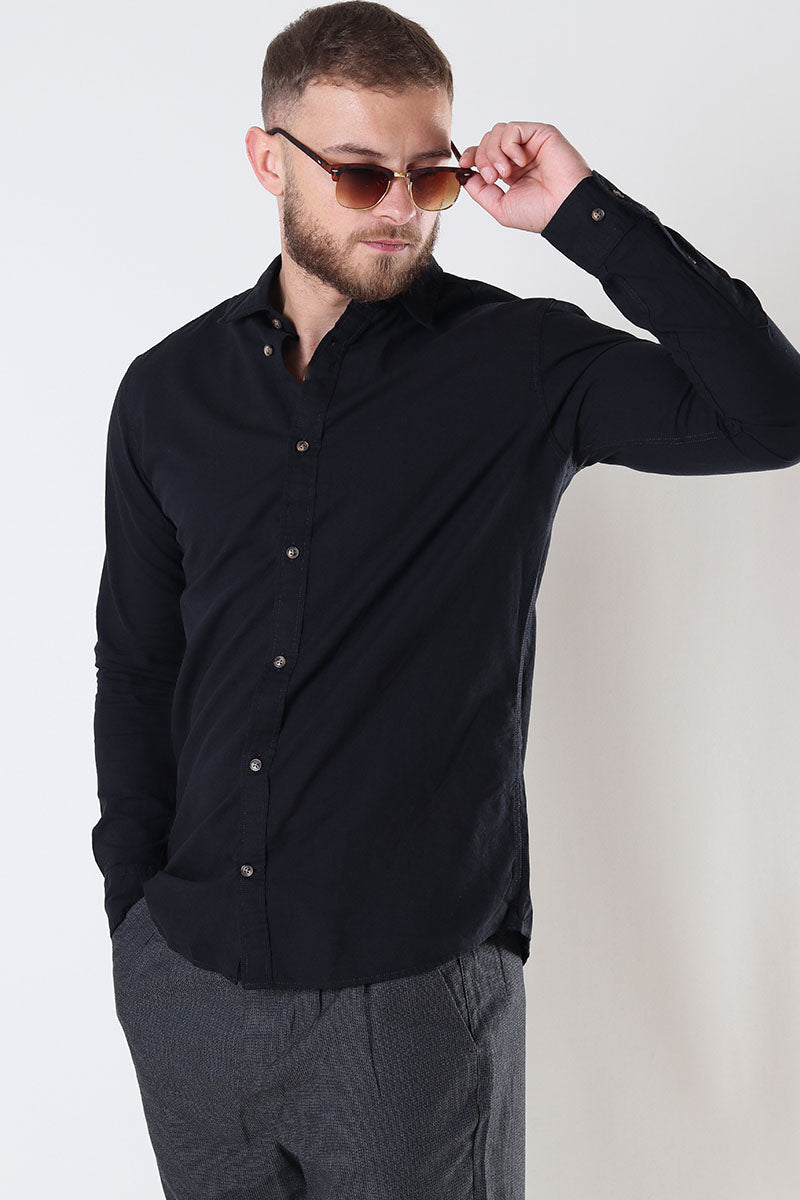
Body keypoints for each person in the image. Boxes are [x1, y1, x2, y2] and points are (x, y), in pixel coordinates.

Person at [92, 3, 800, 1198]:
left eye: (427, 175)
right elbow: (140, 664)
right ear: (269, 160)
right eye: (359, 173)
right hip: (190, 989)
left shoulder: (518, 363)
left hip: (407, 1004)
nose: (398, 209)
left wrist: (580, 211)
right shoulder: (167, 392)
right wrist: (137, 919)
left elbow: (768, 415)